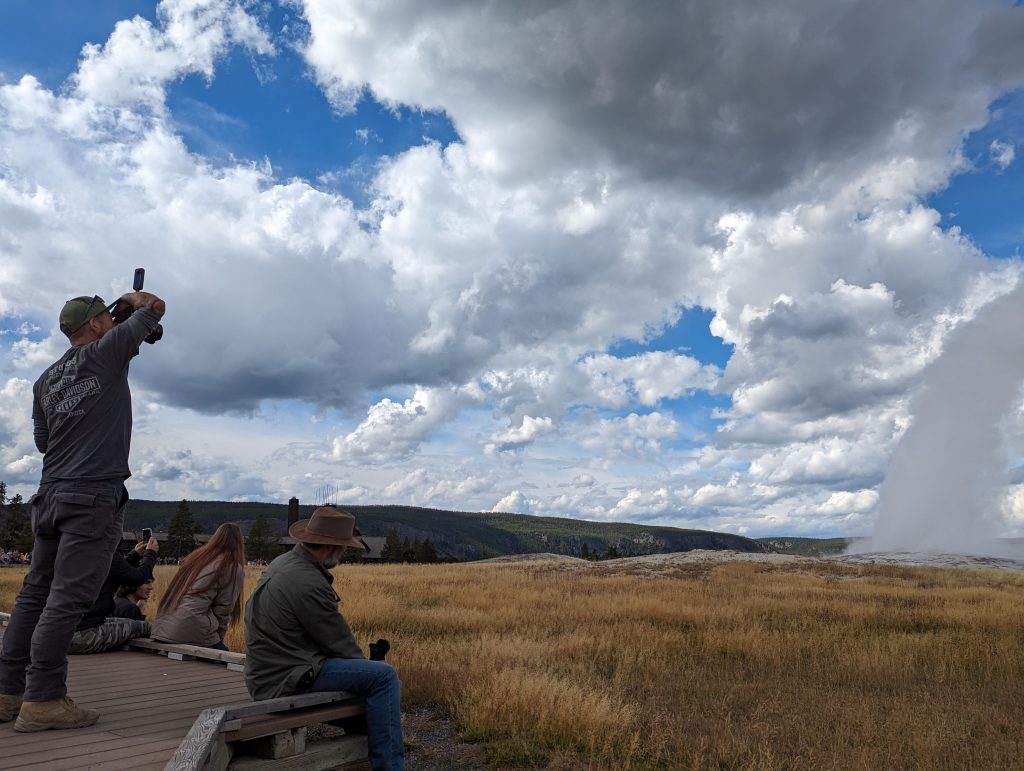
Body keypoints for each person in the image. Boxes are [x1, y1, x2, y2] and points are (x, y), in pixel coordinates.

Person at [0, 290, 165, 733]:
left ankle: (7, 692)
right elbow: (156, 307)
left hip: (49, 496)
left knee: (34, 595)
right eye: (106, 316)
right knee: (67, 599)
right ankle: (44, 699)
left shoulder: (44, 380)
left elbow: (43, 442)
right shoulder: (106, 352)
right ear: (94, 324)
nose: (112, 321)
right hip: (91, 497)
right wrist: (133, 301)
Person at [244, 506, 404, 771]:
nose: (344, 553)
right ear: (330, 547)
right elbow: (340, 645)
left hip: (268, 672)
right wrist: (366, 668)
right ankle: (390, 767)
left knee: (373, 678)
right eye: (344, 547)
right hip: (285, 679)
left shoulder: (284, 563)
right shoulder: (308, 582)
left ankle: (369, 731)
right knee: (384, 677)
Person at [150, 523, 245, 651]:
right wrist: (217, 638)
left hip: (162, 628)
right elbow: (224, 608)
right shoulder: (232, 567)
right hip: (190, 629)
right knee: (225, 659)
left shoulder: (197, 558)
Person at [66, 537, 159, 654]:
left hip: (62, 632)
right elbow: (138, 578)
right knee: (146, 627)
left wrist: (134, 555)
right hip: (84, 636)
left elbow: (116, 570)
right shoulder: (105, 553)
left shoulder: (81, 552)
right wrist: (151, 553)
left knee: (124, 622)